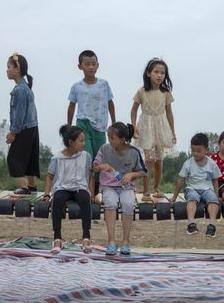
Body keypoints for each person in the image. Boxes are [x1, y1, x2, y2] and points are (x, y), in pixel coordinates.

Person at [93, 122, 146, 256]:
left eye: (112, 138)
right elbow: (94, 167)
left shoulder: (134, 152)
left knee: (128, 204)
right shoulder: (104, 149)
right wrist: (101, 166)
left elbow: (143, 172)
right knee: (110, 203)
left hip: (127, 188)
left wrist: (131, 174)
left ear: (122, 139)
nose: (109, 141)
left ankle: (125, 242)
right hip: (109, 187)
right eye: (108, 137)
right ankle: (111, 241)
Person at [67, 50, 115, 194]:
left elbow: (110, 103)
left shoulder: (104, 84)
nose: (90, 67)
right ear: (80, 66)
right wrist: (69, 126)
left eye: (93, 64)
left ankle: (97, 186)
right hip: (83, 124)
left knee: (99, 157)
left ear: (98, 65)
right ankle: (86, 186)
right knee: (86, 155)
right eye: (87, 64)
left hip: (100, 126)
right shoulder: (76, 87)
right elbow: (71, 106)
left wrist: (114, 123)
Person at [130, 58, 176, 200]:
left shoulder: (166, 92)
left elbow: (169, 113)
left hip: (161, 128)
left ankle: (156, 188)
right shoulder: (142, 91)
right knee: (149, 160)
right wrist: (134, 127)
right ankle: (146, 191)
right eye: (156, 72)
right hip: (146, 127)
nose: (159, 75)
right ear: (149, 73)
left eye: (162, 73)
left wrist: (173, 132)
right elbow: (133, 110)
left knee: (159, 161)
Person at [43, 125, 94, 254]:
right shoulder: (57, 158)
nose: (84, 143)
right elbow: (49, 176)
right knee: (57, 199)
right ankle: (57, 238)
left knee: (85, 199)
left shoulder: (86, 156)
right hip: (62, 187)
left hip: (80, 187)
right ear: (71, 142)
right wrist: (47, 194)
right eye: (81, 141)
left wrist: (92, 194)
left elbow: (90, 176)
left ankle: (86, 237)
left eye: (84, 140)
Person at [171, 133, 221, 237]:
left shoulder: (212, 163)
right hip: (192, 188)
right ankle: (191, 224)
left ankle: (212, 225)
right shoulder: (188, 163)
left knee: (213, 200)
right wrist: (174, 197)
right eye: (193, 150)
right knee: (192, 198)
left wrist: (216, 195)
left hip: (207, 189)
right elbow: (181, 180)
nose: (195, 153)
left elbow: (215, 180)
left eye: (199, 151)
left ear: (206, 150)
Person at [6, 53, 40, 196]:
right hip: (33, 128)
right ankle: (32, 186)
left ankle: (24, 188)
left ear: (17, 69)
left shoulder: (20, 90)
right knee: (30, 158)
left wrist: (13, 133)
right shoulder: (26, 87)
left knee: (13, 158)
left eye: (9, 67)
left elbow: (20, 114)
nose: (7, 70)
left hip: (24, 129)